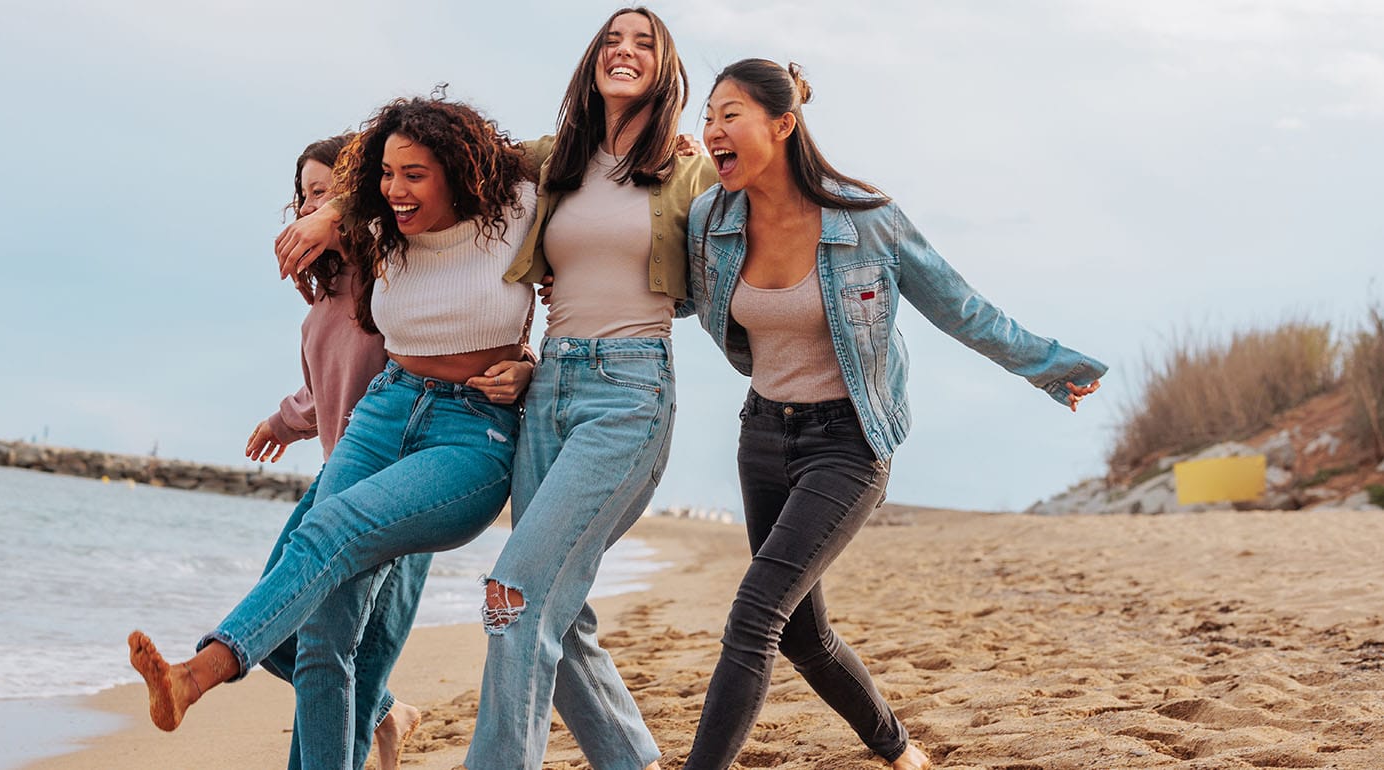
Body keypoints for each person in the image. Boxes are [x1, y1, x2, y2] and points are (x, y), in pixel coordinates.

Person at [275, 10, 713, 768]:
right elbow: (441, 162)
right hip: (548, 387)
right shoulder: (556, 160)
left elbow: (736, 242)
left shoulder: (688, 168)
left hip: (631, 385)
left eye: (645, 42)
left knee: (513, 595)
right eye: (613, 38)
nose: (625, 51)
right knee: (559, 617)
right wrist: (343, 205)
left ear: (665, 70)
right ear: (592, 59)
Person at [679, 58, 1106, 770]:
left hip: (848, 444)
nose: (714, 130)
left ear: (782, 125)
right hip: (762, 435)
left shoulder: (867, 220)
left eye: (730, 115)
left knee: (755, 614)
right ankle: (902, 753)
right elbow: (675, 295)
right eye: (708, 118)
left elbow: (958, 305)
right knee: (803, 636)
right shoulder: (710, 219)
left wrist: (1048, 366)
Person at [130, 96, 539, 770]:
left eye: (414, 174)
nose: (396, 190)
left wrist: (530, 365)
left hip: (471, 435)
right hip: (384, 413)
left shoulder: (516, 209)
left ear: (458, 170)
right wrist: (327, 210)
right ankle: (201, 684)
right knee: (324, 637)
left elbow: (578, 173)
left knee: (332, 531)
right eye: (386, 174)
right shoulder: (382, 230)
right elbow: (347, 213)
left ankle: (196, 676)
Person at [243, 133, 423, 770]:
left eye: (323, 194)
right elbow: (323, 391)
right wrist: (280, 420)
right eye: (302, 197)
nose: (308, 209)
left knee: (347, 656)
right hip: (335, 478)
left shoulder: (396, 275)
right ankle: (386, 711)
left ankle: (375, 709)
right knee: (276, 635)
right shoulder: (322, 297)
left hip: (402, 485)